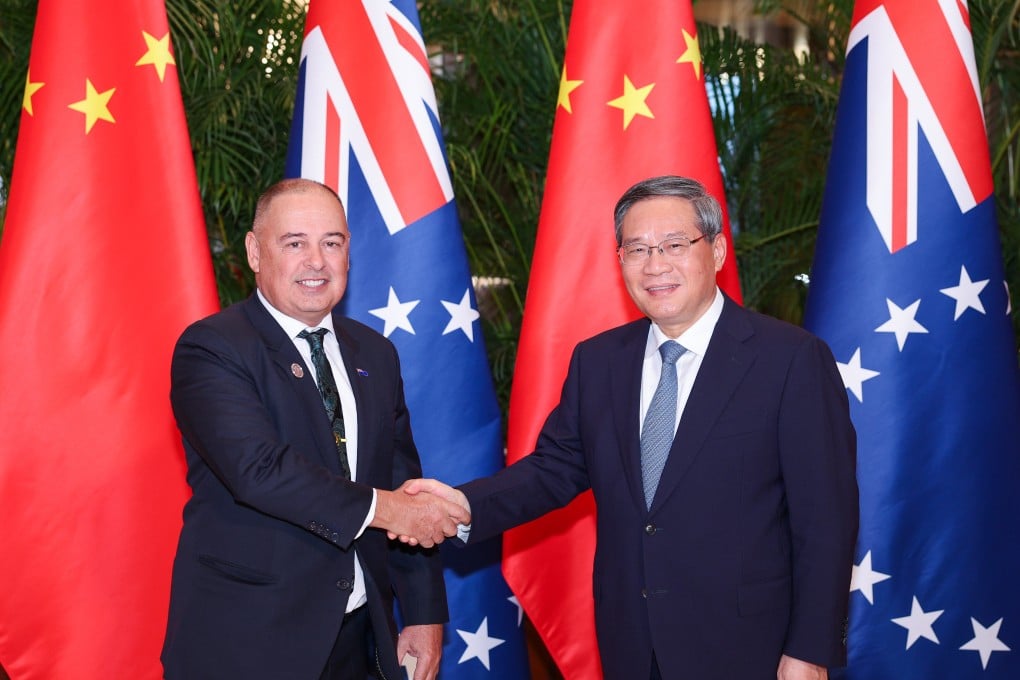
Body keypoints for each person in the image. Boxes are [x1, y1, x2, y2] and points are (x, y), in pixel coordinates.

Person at [406, 176, 859, 680]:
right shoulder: (599, 362)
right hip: (631, 643)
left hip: (751, 647)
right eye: (637, 248)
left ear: (717, 251)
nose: (655, 264)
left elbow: (825, 522)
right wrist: (461, 506)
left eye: (673, 245)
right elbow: (552, 470)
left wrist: (809, 651)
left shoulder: (790, 360)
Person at [161, 178, 468, 680]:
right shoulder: (212, 348)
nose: (317, 261)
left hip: (361, 639)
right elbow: (259, 471)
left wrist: (423, 612)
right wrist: (390, 510)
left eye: (332, 242)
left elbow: (402, 481)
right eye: (295, 243)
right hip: (250, 641)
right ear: (255, 253)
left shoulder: (375, 353)